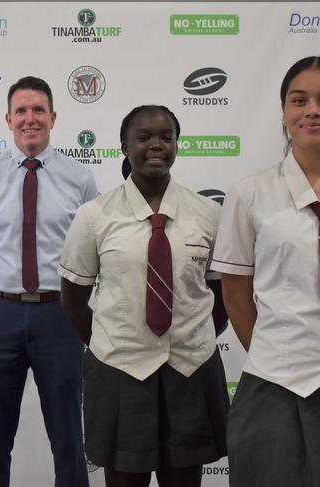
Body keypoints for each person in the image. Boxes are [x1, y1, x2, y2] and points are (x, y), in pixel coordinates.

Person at [59, 105, 229, 487]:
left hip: (190, 369)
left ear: (176, 145)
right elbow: (72, 301)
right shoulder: (95, 216)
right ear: (124, 146)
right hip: (120, 373)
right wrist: (114, 342)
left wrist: (188, 336)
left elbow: (221, 299)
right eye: (144, 137)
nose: (156, 145)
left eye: (166, 137)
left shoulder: (208, 214)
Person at [0, 76, 98, 487]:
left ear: (53, 117)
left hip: (60, 315)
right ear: (8, 119)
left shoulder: (79, 179)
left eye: (38, 110)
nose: (30, 118)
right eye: (21, 111)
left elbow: (91, 251)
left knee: (67, 435)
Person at [211, 56, 320, 487]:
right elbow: (235, 294)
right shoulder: (249, 193)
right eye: (300, 100)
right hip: (277, 381)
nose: (312, 109)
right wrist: (279, 351)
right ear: (283, 111)